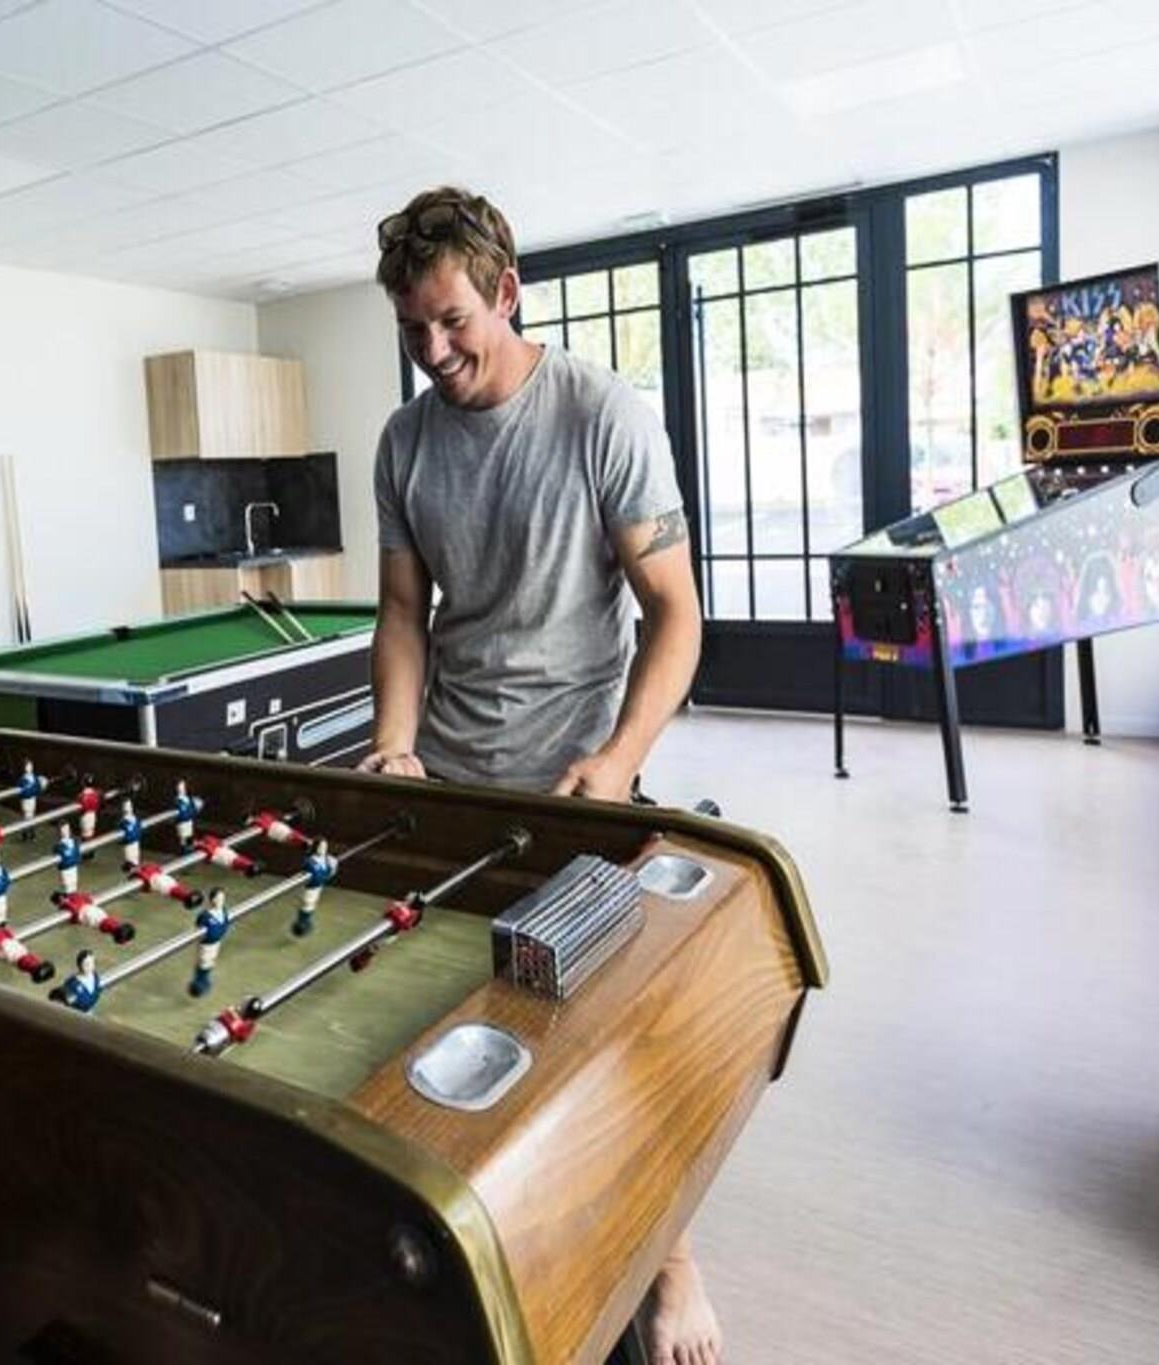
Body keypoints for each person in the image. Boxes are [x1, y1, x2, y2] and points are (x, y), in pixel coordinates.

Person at [358, 187, 713, 1365]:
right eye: (412, 328)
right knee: (453, 1025)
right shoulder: (405, 442)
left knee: (610, 1045)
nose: (431, 350)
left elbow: (674, 613)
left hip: (575, 784)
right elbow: (401, 611)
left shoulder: (600, 414)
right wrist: (395, 740)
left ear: (505, 293)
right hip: (450, 779)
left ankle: (672, 1266)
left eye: (451, 320)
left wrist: (617, 762)